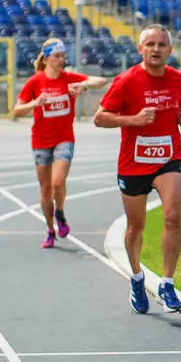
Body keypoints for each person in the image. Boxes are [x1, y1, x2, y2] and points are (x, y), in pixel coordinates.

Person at [94, 24, 181, 314]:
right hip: (134, 164)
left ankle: (167, 283)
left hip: (168, 159)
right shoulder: (126, 81)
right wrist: (133, 120)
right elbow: (100, 118)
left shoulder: (177, 79)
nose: (156, 49)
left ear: (169, 50)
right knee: (135, 227)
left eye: (161, 44)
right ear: (140, 49)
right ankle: (137, 277)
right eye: (150, 44)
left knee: (173, 216)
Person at [12, 38, 109, 248]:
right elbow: (16, 110)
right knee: (46, 190)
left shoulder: (69, 78)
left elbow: (101, 81)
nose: (61, 59)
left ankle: (61, 214)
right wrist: (34, 103)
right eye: (57, 56)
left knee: (58, 182)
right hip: (40, 141)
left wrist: (82, 85)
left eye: (63, 55)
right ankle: (50, 229)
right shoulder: (35, 83)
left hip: (64, 139)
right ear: (46, 58)